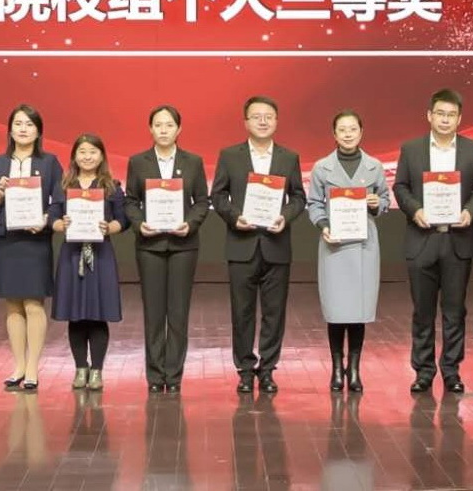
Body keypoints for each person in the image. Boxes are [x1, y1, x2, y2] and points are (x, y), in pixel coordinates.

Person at [392, 89, 473, 394]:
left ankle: (451, 370)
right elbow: (400, 187)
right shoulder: (412, 149)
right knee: (422, 312)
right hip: (422, 239)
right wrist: (416, 210)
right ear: (429, 116)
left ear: (459, 119)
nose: (445, 120)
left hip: (457, 240)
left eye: (451, 115)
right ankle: (423, 371)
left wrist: (469, 212)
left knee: (454, 311)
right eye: (440, 114)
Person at [211, 95, 307, 395]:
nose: (263, 121)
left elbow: (299, 197)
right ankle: (244, 369)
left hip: (277, 245)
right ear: (246, 122)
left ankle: (267, 369)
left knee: (274, 313)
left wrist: (285, 217)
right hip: (242, 244)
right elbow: (218, 196)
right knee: (242, 313)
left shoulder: (289, 157)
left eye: (268, 116)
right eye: (256, 116)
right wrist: (234, 217)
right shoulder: (230, 155)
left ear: (276, 121)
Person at [124, 105, 209, 394]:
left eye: (169, 125)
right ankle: (154, 375)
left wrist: (190, 224)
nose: (163, 130)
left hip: (184, 245)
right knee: (153, 312)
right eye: (158, 125)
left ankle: (173, 376)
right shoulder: (138, 162)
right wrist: (139, 224)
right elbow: (130, 201)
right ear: (150, 128)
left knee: (178, 312)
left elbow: (201, 201)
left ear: (179, 129)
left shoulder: (193, 162)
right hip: (150, 246)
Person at [305, 110, 390, 393]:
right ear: (334, 134)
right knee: (336, 309)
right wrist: (323, 225)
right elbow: (314, 203)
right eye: (342, 129)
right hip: (335, 244)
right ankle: (336, 368)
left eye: (353, 129)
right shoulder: (322, 167)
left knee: (358, 309)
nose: (348, 134)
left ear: (361, 132)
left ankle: (354, 369)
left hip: (364, 245)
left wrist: (377, 203)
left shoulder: (374, 166)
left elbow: (385, 199)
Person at [0, 104, 64, 391]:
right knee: (12, 304)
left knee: (33, 304)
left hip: (35, 240)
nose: (23, 129)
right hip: (7, 239)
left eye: (29, 124)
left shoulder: (49, 163)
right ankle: (18, 366)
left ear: (38, 131)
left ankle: (33, 367)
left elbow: (59, 201)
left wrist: (46, 219)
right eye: (18, 123)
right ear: (10, 130)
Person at [52, 134, 126, 391]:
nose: (87, 156)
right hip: (72, 256)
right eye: (82, 151)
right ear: (74, 156)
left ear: (102, 156)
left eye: (93, 152)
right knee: (75, 315)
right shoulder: (64, 185)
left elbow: (123, 220)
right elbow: (53, 217)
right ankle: (80, 368)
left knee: (97, 314)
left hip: (101, 255)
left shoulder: (112, 186)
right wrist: (60, 224)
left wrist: (110, 227)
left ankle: (97, 371)